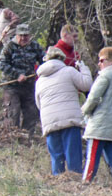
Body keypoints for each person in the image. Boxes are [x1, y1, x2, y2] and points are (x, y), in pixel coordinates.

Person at [35, 46, 92, 175]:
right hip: (69, 120)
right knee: (73, 156)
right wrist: (83, 68)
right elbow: (86, 84)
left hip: (49, 121)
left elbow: (39, 104)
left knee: (56, 157)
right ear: (61, 58)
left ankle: (58, 181)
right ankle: (75, 181)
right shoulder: (69, 71)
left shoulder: (39, 81)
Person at [82, 46, 112, 185]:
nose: (99, 63)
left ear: (111, 60)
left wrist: (84, 112)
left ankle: (86, 183)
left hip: (100, 124)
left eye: (102, 60)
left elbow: (93, 98)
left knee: (92, 157)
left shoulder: (105, 75)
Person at [0, 24, 44, 131]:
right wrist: (17, 75)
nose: (23, 38)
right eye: (21, 35)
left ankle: (27, 135)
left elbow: (44, 60)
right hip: (11, 86)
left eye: (26, 35)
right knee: (13, 113)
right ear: (16, 35)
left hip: (29, 86)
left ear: (29, 35)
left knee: (32, 113)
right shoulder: (9, 46)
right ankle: (12, 136)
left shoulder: (35, 46)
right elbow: (2, 64)